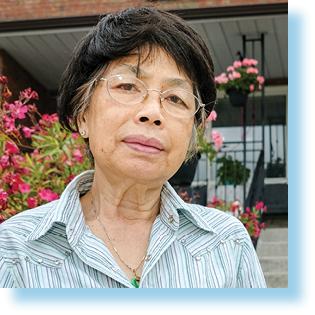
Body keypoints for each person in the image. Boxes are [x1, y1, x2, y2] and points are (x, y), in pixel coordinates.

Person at [0, 6, 266, 288]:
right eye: (128, 86)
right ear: (82, 114)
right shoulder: (15, 250)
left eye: (176, 98)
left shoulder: (227, 244)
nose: (153, 112)